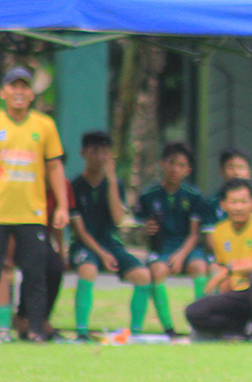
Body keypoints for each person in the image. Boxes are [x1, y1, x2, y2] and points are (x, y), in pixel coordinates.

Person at [0, 66, 69, 342]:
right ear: (4, 92)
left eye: (24, 87)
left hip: (32, 212)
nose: (19, 92)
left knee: (35, 273)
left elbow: (54, 168)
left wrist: (62, 206)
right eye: (13, 86)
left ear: (32, 94)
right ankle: (3, 328)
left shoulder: (44, 125)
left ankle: (36, 329)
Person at [185, 178, 252, 343]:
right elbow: (224, 276)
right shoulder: (219, 232)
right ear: (223, 205)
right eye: (234, 202)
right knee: (194, 312)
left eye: (243, 202)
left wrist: (229, 270)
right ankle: (240, 331)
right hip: (242, 295)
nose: (239, 207)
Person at [68, 131, 152, 340]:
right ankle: (81, 332)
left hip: (111, 244)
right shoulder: (74, 186)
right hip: (84, 245)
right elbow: (79, 230)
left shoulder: (116, 185)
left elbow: (118, 219)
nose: (100, 157)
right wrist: (102, 255)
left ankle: (136, 333)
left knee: (143, 276)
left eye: (105, 152)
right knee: (88, 270)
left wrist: (113, 181)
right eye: (94, 151)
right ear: (83, 153)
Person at [134, 142, 208, 338]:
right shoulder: (148, 195)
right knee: (157, 271)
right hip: (161, 247)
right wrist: (145, 229)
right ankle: (169, 329)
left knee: (200, 267)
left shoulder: (194, 196)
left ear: (188, 170)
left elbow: (194, 234)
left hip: (187, 247)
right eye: (171, 163)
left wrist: (181, 255)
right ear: (162, 163)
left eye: (181, 165)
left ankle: (200, 325)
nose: (175, 169)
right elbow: (140, 230)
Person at [206, 148, 252, 227]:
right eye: (231, 167)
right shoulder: (212, 202)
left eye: (241, 167)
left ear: (249, 172)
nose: (236, 172)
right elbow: (210, 233)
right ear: (221, 171)